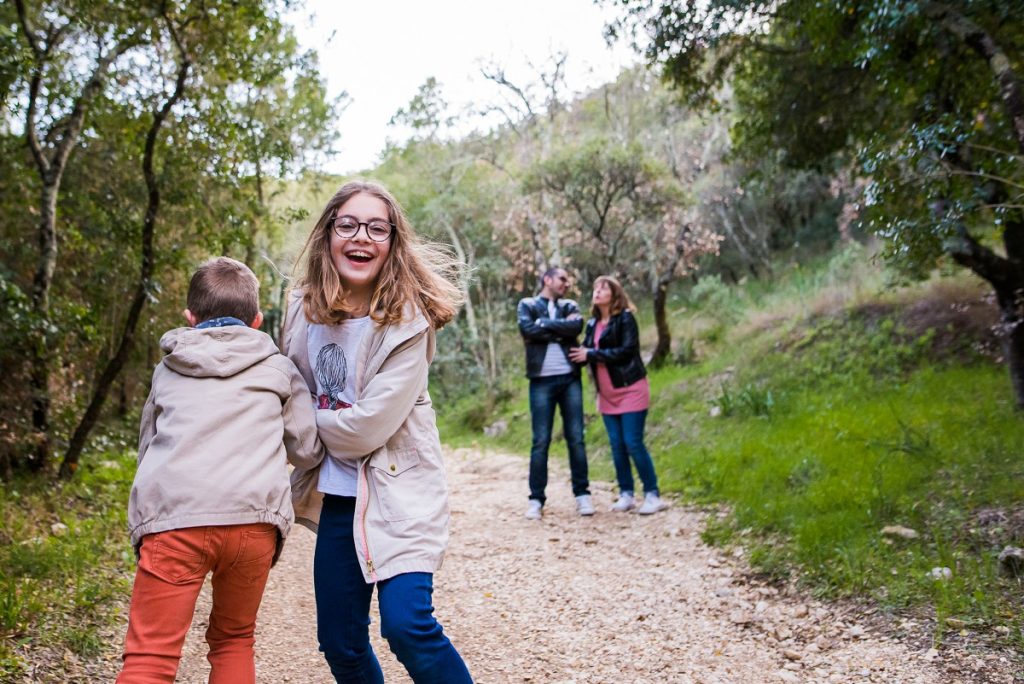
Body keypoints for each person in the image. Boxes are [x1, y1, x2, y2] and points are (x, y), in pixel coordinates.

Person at [282, 180, 473, 683]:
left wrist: (304, 427)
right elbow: (284, 388)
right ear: (328, 235)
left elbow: (365, 429)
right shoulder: (301, 310)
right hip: (339, 499)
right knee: (340, 642)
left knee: (407, 625)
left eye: (376, 227)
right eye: (347, 224)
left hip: (400, 492)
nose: (360, 237)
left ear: (392, 243)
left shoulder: (409, 324)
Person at [118, 256, 324, 684]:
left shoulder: (168, 368)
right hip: (253, 522)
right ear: (256, 319)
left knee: (151, 658)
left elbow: (147, 447)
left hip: (174, 521)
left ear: (190, 317)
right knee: (233, 639)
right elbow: (306, 450)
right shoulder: (278, 368)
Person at [568, 276, 667, 515]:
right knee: (616, 445)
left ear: (614, 294)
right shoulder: (592, 324)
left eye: (604, 288)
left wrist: (591, 354)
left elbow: (626, 351)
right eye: (595, 288)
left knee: (633, 442)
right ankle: (626, 494)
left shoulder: (625, 318)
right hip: (607, 394)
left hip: (631, 388)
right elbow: (584, 353)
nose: (598, 292)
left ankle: (653, 494)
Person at [517, 266, 594, 520]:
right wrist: (559, 328)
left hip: (569, 378)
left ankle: (583, 495)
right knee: (540, 441)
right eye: (562, 278)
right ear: (547, 279)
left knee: (576, 438)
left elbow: (575, 328)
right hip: (541, 381)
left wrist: (545, 325)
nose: (566, 283)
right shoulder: (527, 304)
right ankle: (536, 499)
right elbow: (528, 330)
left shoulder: (569, 305)